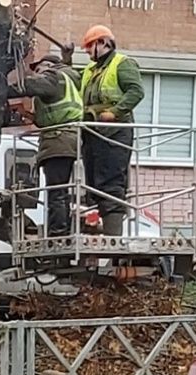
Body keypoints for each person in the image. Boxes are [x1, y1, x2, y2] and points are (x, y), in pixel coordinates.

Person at [7, 49, 82, 237]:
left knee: (56, 190)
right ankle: (60, 230)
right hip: (67, 137)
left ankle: (58, 233)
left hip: (58, 139)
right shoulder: (69, 80)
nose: (36, 73)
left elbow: (29, 85)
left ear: (49, 66)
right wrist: (28, 115)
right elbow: (49, 117)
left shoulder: (53, 77)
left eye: (38, 69)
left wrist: (0, 91)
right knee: (60, 189)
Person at [79, 25, 145, 236]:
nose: (88, 51)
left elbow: (136, 91)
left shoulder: (122, 64)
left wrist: (115, 112)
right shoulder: (91, 70)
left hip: (115, 132)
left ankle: (113, 233)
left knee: (111, 181)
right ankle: (101, 228)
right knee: (94, 182)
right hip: (94, 132)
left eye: (90, 46)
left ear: (104, 43)